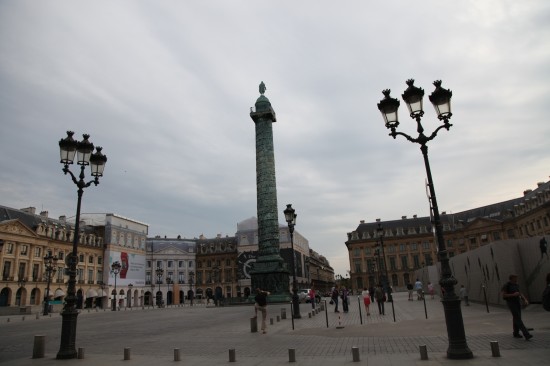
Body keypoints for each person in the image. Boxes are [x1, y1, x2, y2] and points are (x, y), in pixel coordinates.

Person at [501, 274, 532, 340]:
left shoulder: (516, 285)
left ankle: (516, 333)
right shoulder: (507, 285)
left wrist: (525, 299)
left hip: (517, 302)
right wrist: (513, 294)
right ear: (511, 278)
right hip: (511, 303)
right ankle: (526, 334)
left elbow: (520, 293)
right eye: (515, 278)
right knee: (518, 319)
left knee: (517, 318)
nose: (516, 279)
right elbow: (504, 295)